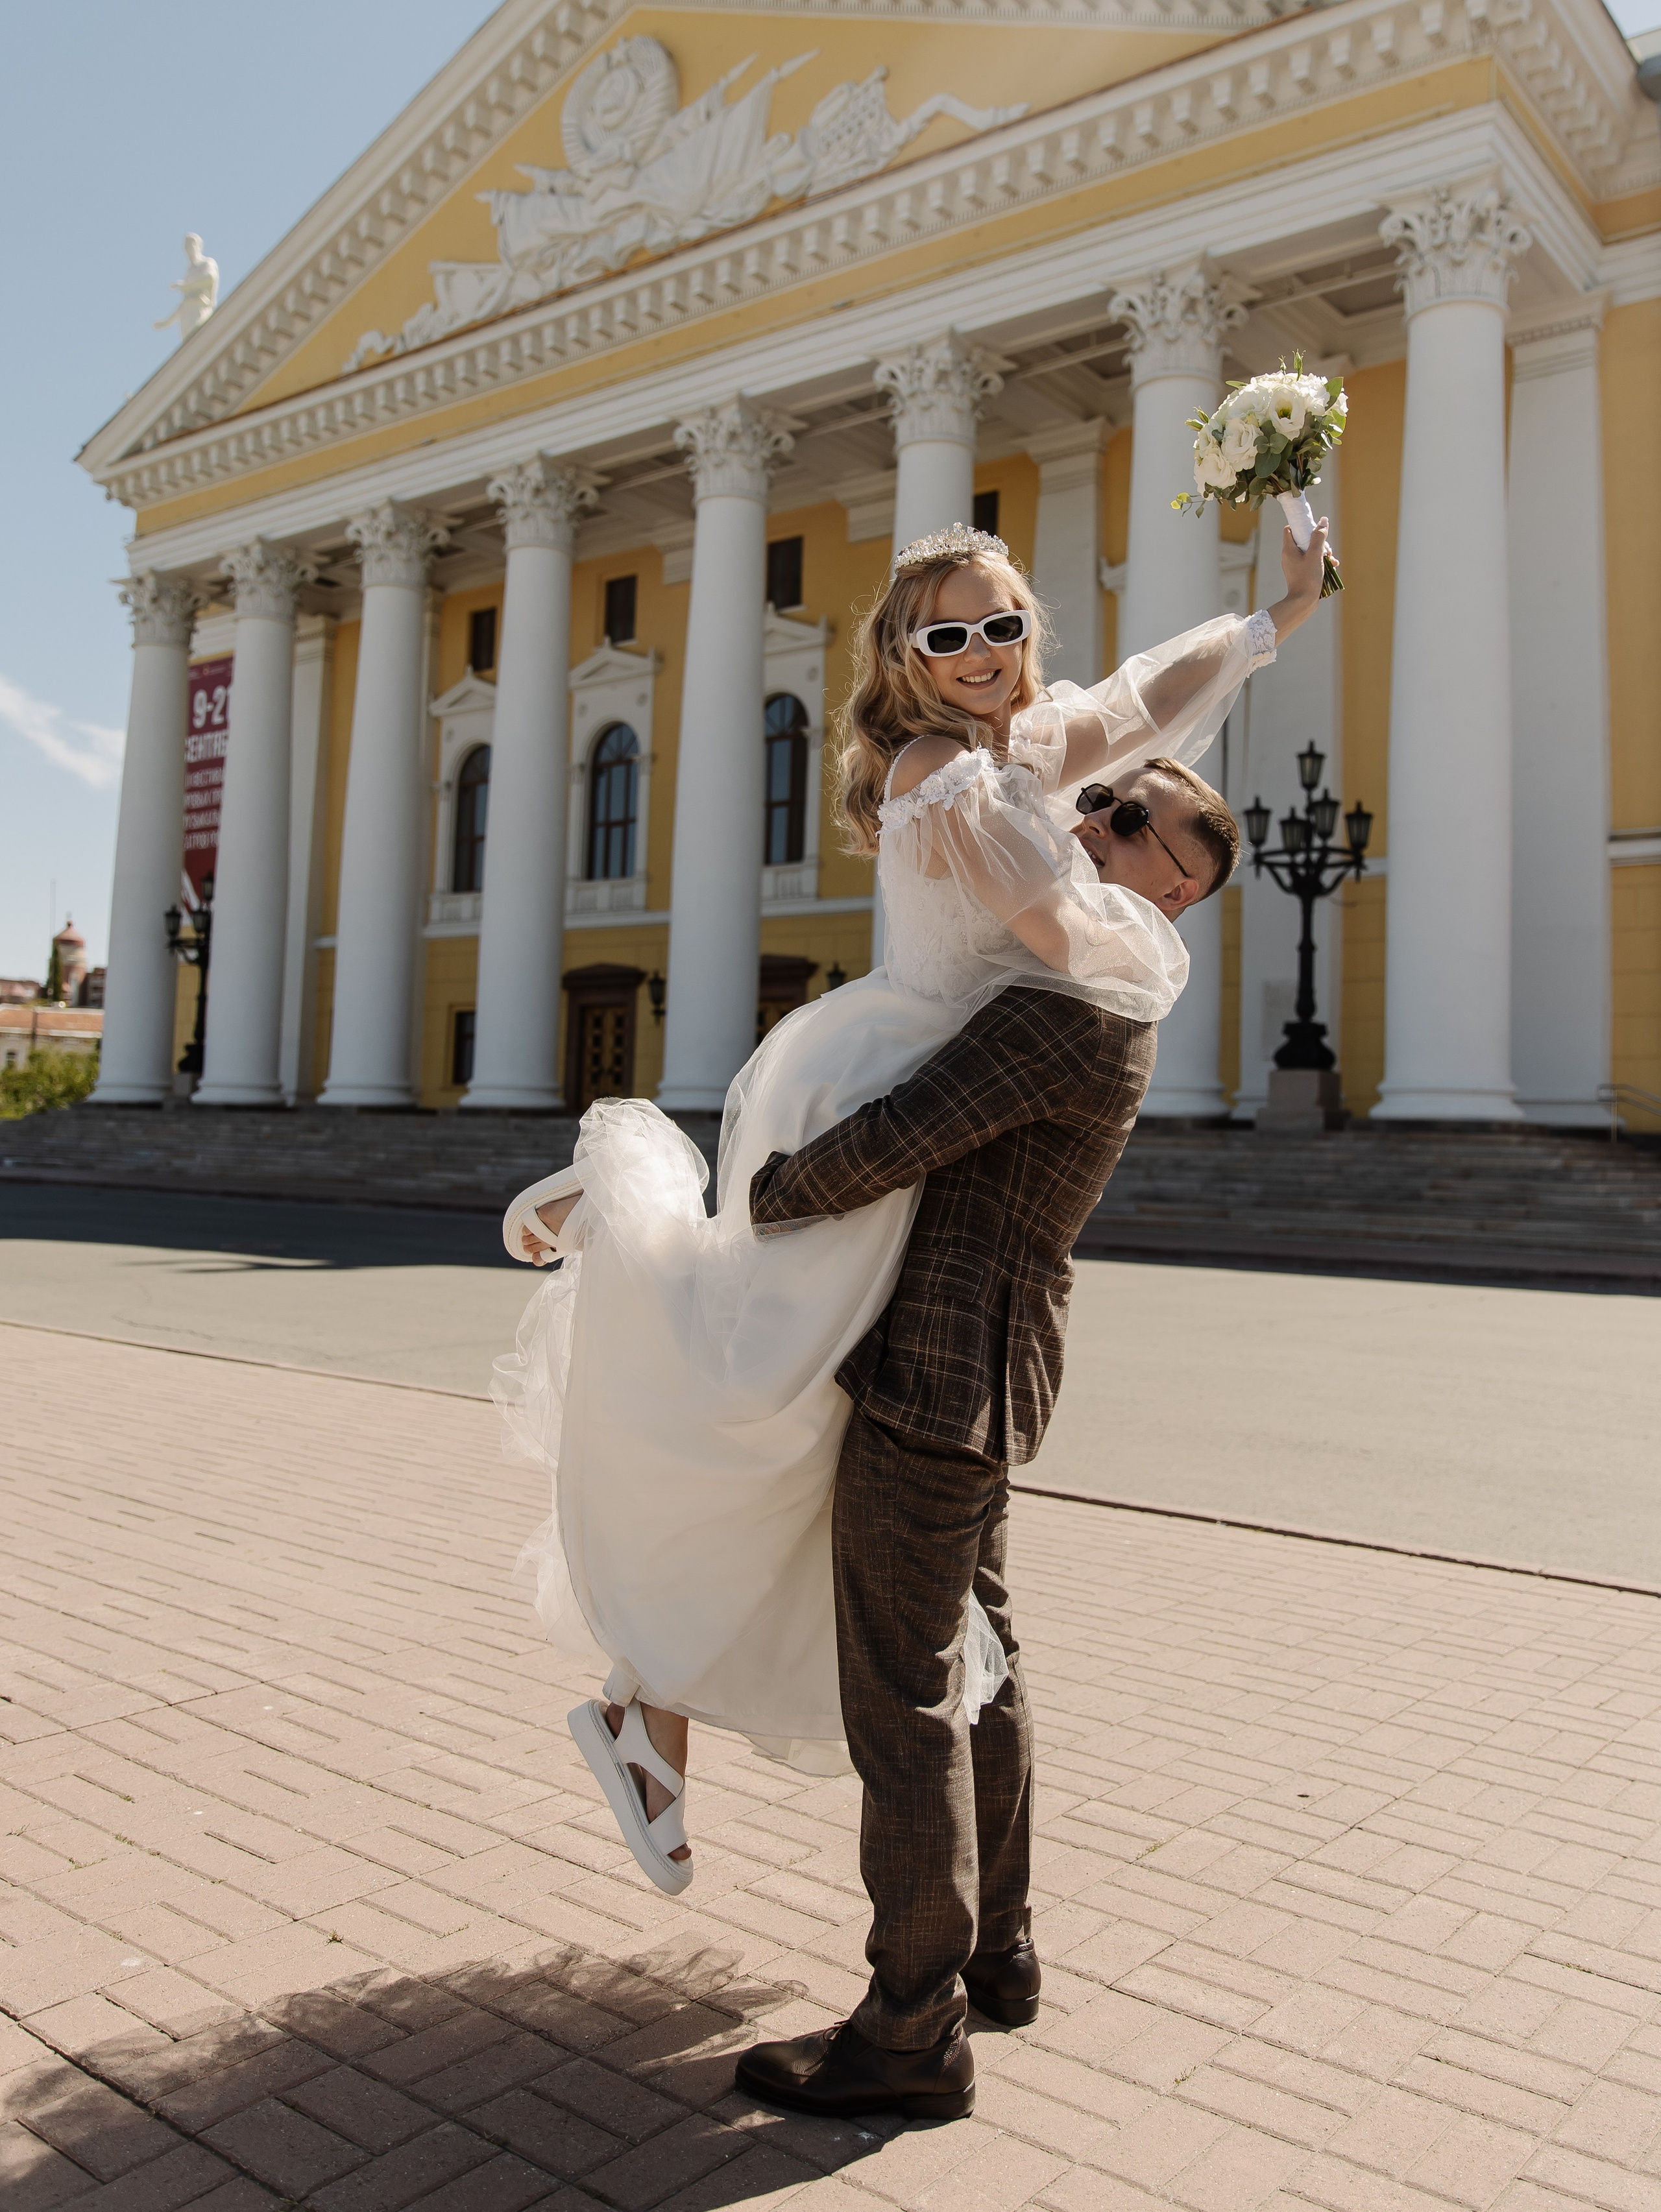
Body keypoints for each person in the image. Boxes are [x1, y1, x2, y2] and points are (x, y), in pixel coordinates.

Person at [496, 520, 1329, 1991]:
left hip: (935, 1189)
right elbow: (1053, 926)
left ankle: (706, 1758)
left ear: (1027, 627)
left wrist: (1271, 618)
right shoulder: (946, 778)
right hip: (883, 1094)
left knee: (822, 1493)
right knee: (762, 1407)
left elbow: (1144, 694)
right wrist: (1142, 927)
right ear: (903, 659)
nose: (980, 653)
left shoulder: (1022, 755)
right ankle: (625, 1219)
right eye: (945, 636)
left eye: (1000, 624)